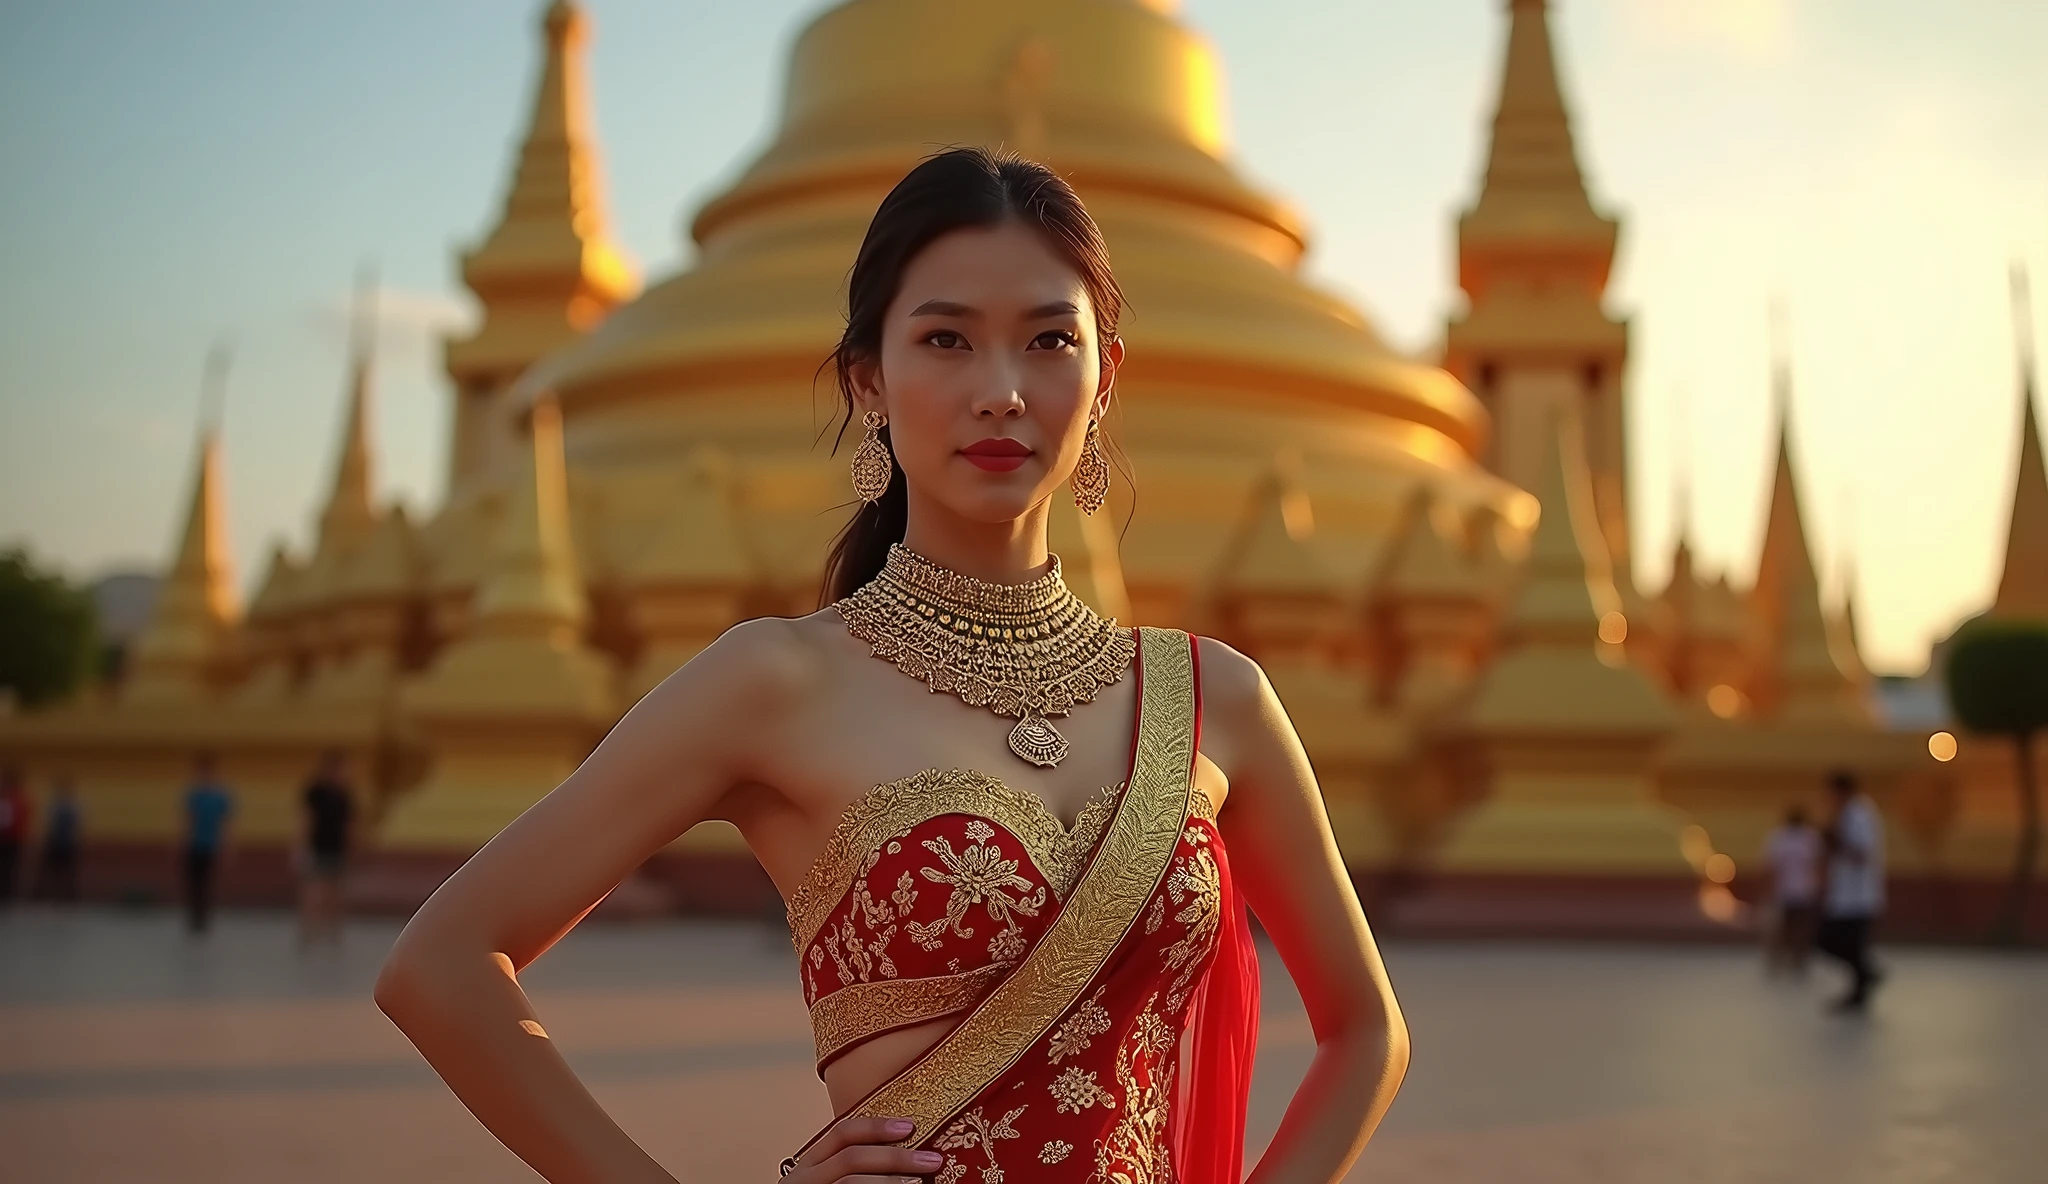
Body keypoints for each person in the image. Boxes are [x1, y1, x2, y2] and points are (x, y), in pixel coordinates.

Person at [377, 148, 1409, 1184]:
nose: (1000, 391)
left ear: (1105, 379)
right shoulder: (777, 682)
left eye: (1050, 339)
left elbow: (1364, 1031)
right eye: (946, 339)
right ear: (869, 379)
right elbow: (441, 965)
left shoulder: (1212, 697)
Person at [1815, 769, 1885, 1012]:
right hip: (1844, 893)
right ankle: (1862, 981)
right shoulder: (1846, 813)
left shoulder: (1860, 813)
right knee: (1842, 944)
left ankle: (1865, 978)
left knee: (1834, 941)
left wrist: (1835, 841)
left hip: (1859, 894)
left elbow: (1862, 853)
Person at [299, 749, 356, 945]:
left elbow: (350, 825)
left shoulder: (344, 795)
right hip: (318, 848)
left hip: (337, 849)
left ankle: (333, 933)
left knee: (337, 893)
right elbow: (307, 820)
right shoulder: (316, 792)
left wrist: (353, 848)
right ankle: (309, 932)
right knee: (314, 892)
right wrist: (301, 846)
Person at [1760, 804, 1820, 976]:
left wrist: (1767, 889)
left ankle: (1787, 960)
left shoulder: (1780, 837)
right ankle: (1793, 960)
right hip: (1800, 889)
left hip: (1793, 889)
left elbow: (1770, 867)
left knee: (1792, 927)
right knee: (1793, 927)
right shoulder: (1807, 837)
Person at [181, 752, 234, 935]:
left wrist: (227, 846)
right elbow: (188, 820)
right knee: (194, 882)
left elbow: (226, 823)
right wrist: (184, 841)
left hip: (211, 844)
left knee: (208, 882)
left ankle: (205, 917)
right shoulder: (194, 794)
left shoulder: (220, 796)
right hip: (194, 844)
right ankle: (193, 916)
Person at [34, 776, 83, 903]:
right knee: (50, 871)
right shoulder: (54, 804)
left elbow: (78, 826)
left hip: (67, 843)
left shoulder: (74, 805)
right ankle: (45, 895)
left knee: (67, 872)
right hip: (54, 841)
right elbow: (48, 824)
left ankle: (67, 897)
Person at [0, 764, 28, 907]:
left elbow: (23, 817)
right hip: (3, 839)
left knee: (10, 868)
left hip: (13, 839)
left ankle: (8, 894)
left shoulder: (18, 799)